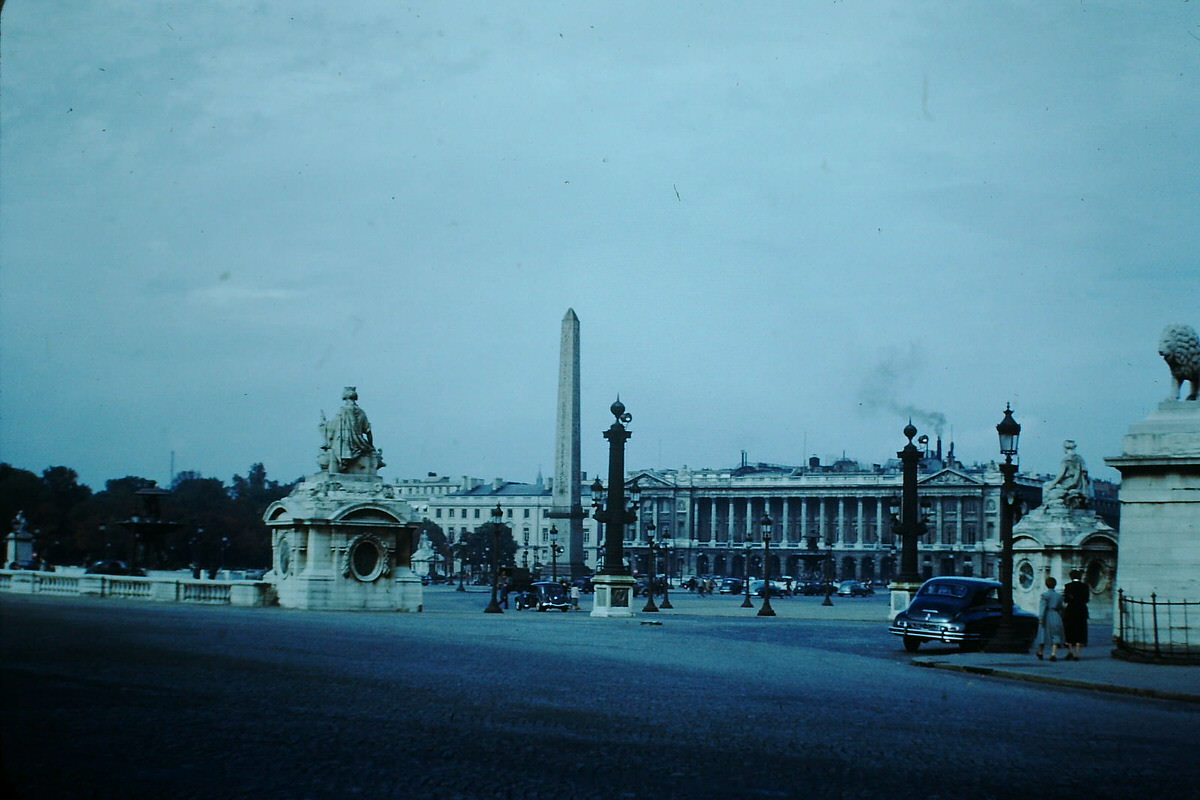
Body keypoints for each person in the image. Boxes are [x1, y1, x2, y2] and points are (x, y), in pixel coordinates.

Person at [1062, 569, 1090, 661]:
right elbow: (1086, 600)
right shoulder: (1085, 586)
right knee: (1080, 632)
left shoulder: (1068, 586)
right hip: (1081, 610)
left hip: (1071, 610)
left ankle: (1070, 651)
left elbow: (1066, 600)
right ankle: (1077, 654)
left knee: (1069, 631)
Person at [1035, 575, 1065, 662]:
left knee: (1042, 634)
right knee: (1055, 634)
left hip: (1046, 615)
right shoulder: (1059, 596)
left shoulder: (1044, 595)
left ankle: (1040, 652)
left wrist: (1040, 618)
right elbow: (1061, 607)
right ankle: (1053, 653)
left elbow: (1042, 607)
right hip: (1055, 615)